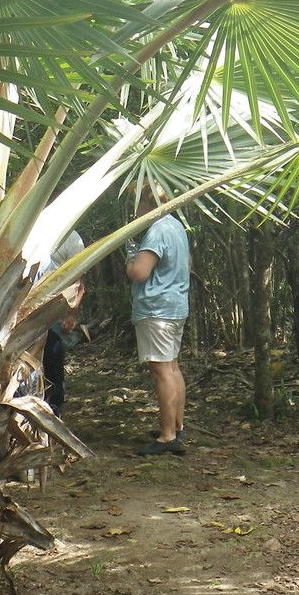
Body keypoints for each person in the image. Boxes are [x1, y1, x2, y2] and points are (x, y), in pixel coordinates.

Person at [127, 187, 190, 456]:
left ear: (148, 201)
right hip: (175, 305)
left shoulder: (157, 229)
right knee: (172, 367)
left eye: (137, 201)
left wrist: (130, 260)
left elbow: (140, 272)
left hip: (157, 309)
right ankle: (176, 426)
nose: (135, 208)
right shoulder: (176, 226)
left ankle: (167, 437)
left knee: (162, 370)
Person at [30, 231, 86, 417]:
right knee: (30, 357)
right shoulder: (36, 229)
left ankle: (55, 405)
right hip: (29, 305)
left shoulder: (72, 238)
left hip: (58, 306)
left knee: (53, 355)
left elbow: (80, 281)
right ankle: (32, 401)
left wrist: (72, 313)